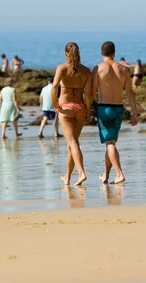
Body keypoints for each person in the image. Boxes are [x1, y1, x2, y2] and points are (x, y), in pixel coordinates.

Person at [91, 41, 139, 184]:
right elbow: (130, 92)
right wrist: (134, 113)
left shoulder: (98, 69)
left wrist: (87, 107)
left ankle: (119, 174)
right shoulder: (124, 69)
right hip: (119, 109)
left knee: (110, 143)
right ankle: (106, 175)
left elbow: (92, 91)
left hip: (104, 108)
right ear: (114, 53)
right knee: (110, 143)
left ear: (101, 53)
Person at [51, 42, 92, 186]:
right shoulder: (86, 71)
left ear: (65, 54)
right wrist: (87, 109)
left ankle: (81, 173)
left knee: (73, 142)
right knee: (72, 144)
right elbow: (89, 93)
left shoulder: (62, 68)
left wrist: (55, 104)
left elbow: (55, 86)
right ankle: (67, 177)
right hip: (80, 108)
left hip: (66, 108)